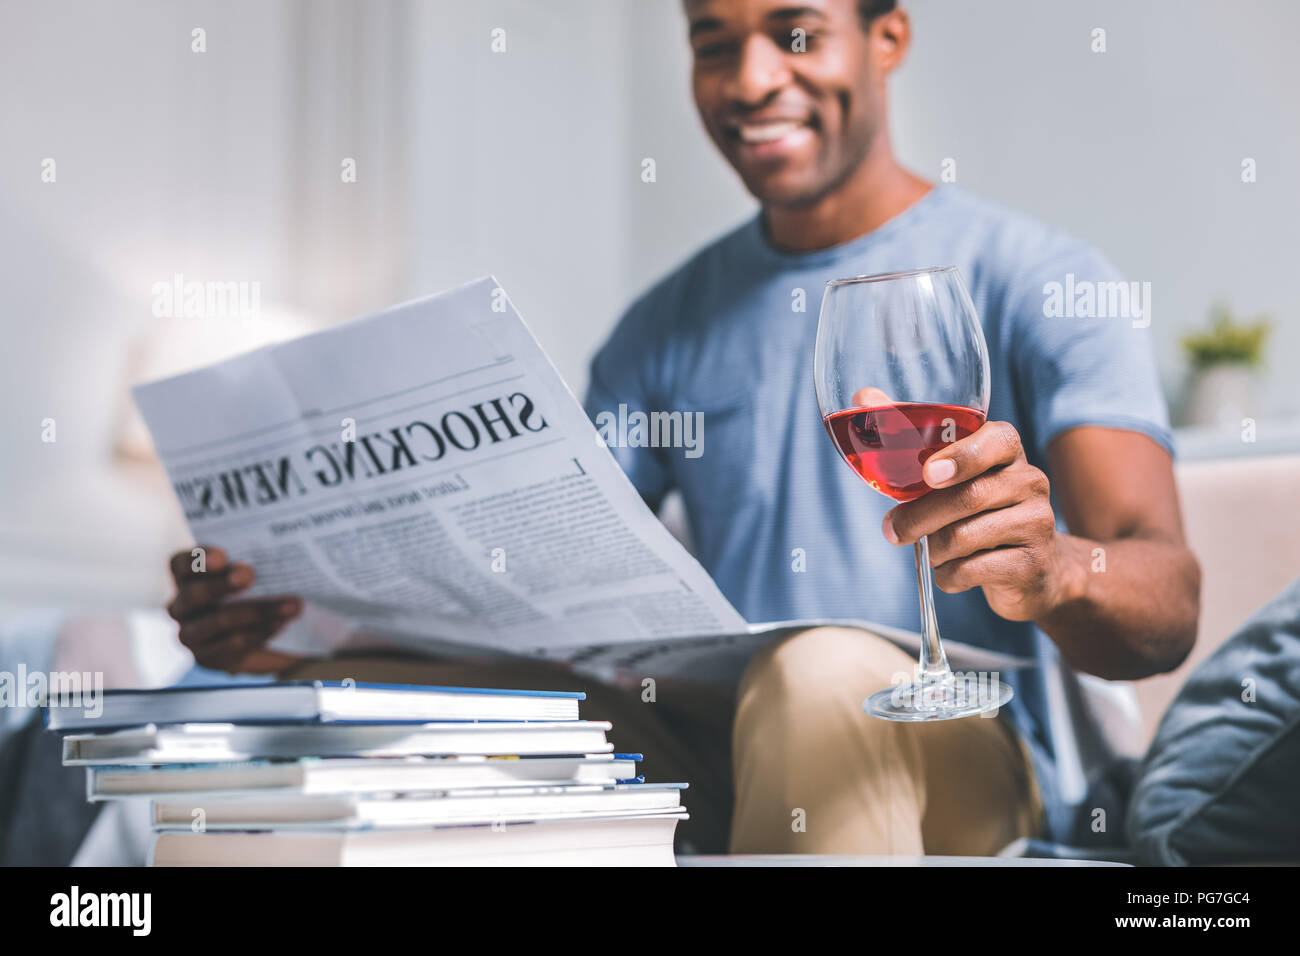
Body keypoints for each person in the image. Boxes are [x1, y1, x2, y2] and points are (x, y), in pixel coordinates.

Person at [163, 0, 1200, 855]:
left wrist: (1060, 565)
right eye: (713, 42)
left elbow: (1167, 603)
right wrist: (295, 620)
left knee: (822, 671)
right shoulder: (661, 326)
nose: (748, 79)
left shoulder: (1042, 278)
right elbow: (535, 586)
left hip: (961, 754)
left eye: (794, 32)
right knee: (344, 694)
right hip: (723, 728)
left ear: (888, 38)